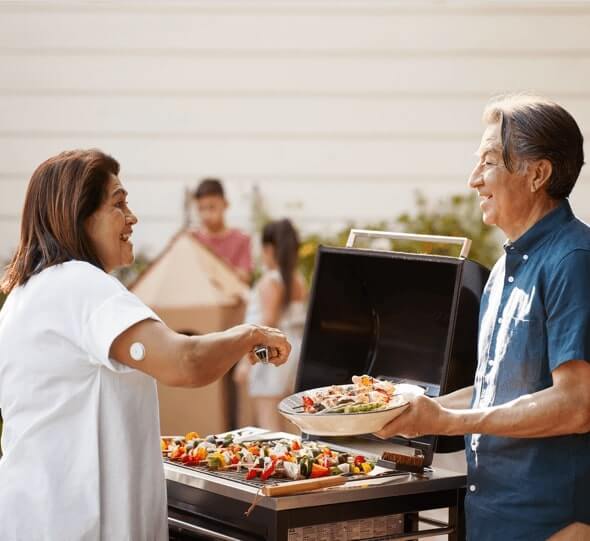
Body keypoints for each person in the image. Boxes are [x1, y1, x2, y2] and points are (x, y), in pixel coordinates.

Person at [0, 150, 291, 541]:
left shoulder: (28, 291)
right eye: (118, 204)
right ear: (79, 216)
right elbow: (183, 362)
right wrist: (251, 334)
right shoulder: (80, 285)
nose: (132, 217)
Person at [376, 95, 590, 540]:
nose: (474, 180)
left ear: (538, 174)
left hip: (552, 524)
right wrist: (410, 411)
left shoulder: (574, 260)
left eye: (489, 162)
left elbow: (576, 405)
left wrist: (448, 422)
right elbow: (501, 388)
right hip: (489, 515)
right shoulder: (503, 273)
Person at [234, 219, 307, 432]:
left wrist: (246, 362)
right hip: (293, 351)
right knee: (291, 421)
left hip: (270, 354)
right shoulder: (297, 280)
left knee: (268, 421)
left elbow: (268, 322)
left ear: (268, 249)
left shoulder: (270, 282)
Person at [192, 178, 253, 284]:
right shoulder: (193, 239)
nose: (206, 215)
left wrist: (219, 266)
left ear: (225, 204)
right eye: (201, 209)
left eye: (212, 207)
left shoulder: (241, 239)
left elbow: (245, 278)